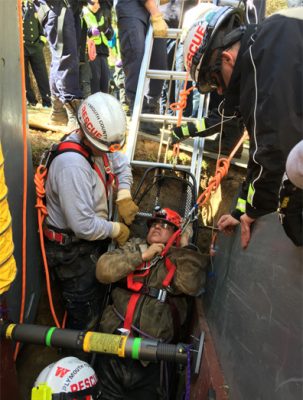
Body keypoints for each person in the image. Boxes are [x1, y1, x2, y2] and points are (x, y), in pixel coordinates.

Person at [173, 3, 303, 248]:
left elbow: (276, 151)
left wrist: (262, 212)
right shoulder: (266, 47)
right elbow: (261, 150)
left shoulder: (266, 60)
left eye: (214, 81)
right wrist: (242, 209)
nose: (220, 91)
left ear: (227, 58)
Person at [43, 92, 138, 330]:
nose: (110, 153)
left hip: (92, 238)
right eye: (106, 149)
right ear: (88, 135)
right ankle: (79, 351)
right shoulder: (72, 166)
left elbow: (121, 163)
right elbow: (83, 225)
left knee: (100, 293)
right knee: (85, 311)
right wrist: (115, 229)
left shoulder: (100, 144)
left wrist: (124, 193)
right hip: (71, 251)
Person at [95, 206, 207, 399]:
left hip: (152, 356)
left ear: (176, 233)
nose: (157, 227)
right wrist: (142, 257)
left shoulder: (181, 259)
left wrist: (184, 244)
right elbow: (103, 271)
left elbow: (191, 285)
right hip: (112, 345)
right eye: (154, 224)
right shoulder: (134, 247)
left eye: (165, 225)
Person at [33, 0, 89, 129]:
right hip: (56, 4)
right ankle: (73, 112)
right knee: (66, 54)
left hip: (72, 5)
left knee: (63, 56)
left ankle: (58, 112)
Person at [116, 0, 168, 134]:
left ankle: (150, 108)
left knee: (160, 63)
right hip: (133, 9)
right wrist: (155, 13)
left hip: (152, 10)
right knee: (135, 56)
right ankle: (138, 109)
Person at [22, 0, 51, 108]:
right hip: (22, 47)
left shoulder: (34, 5)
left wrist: (41, 42)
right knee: (24, 76)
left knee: (42, 75)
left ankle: (47, 101)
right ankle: (31, 101)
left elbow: (43, 25)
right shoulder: (15, 8)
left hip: (36, 47)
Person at [82, 0, 114, 94]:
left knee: (105, 82)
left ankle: (103, 106)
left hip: (103, 52)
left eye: (98, 3)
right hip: (91, 53)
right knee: (94, 81)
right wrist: (90, 32)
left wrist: (108, 32)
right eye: (93, 3)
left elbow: (110, 34)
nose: (97, 5)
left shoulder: (103, 14)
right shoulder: (83, 13)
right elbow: (80, 32)